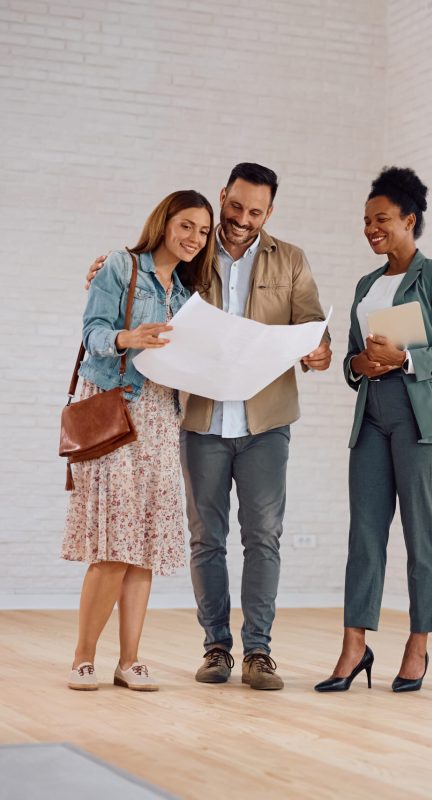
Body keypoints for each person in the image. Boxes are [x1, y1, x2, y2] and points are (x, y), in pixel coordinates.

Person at [88, 163, 331, 690]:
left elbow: (312, 328)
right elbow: (150, 275)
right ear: (223, 196)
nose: (243, 219)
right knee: (207, 538)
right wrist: (107, 270)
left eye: (256, 211)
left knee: (264, 536)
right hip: (200, 418)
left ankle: (259, 651)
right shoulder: (194, 256)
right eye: (236, 206)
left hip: (267, 420)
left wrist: (318, 353)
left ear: (270, 212)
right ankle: (216, 647)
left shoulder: (290, 260)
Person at [315, 167, 432, 694]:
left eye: (381, 219)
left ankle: (418, 645)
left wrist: (406, 358)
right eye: (366, 221)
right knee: (363, 535)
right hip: (372, 416)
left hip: (422, 421)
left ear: (410, 220)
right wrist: (357, 366)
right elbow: (350, 358)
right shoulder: (366, 284)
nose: (371, 229)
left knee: (420, 536)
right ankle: (353, 646)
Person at [63, 189, 215, 691]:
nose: (194, 237)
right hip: (115, 407)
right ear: (166, 222)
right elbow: (93, 332)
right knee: (112, 543)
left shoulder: (189, 295)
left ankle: (130, 661)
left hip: (159, 419)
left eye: (203, 230)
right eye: (187, 225)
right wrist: (128, 338)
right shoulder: (120, 267)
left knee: (143, 544)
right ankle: (83, 658)